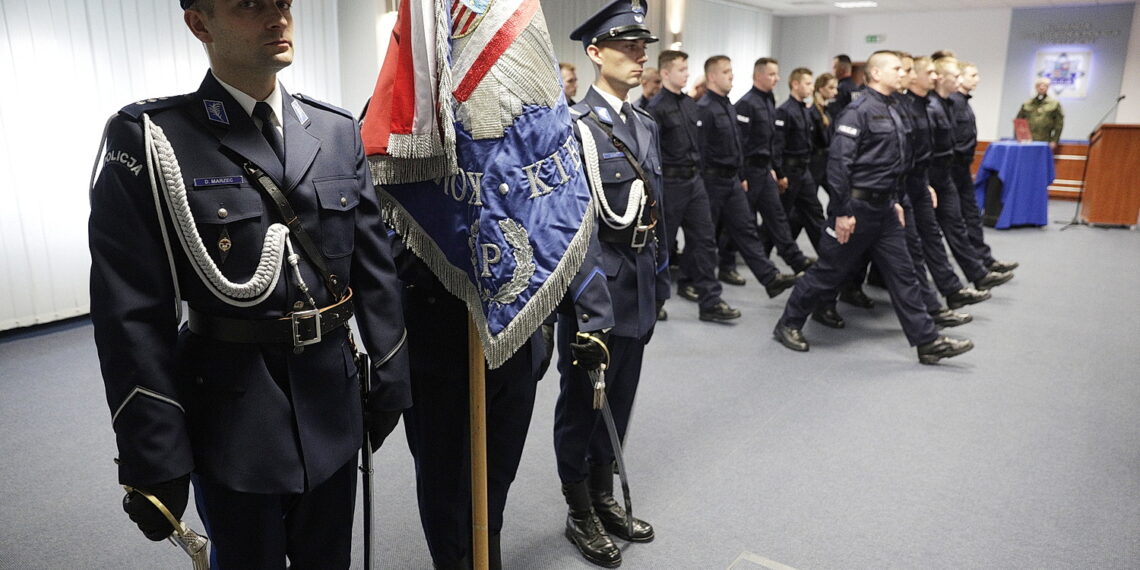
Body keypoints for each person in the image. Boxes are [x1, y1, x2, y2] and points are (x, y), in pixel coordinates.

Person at [88, 1, 411, 567]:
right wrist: (153, 451)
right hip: (232, 414)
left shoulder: (336, 131)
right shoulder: (152, 138)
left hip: (333, 404)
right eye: (251, 5)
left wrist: (391, 373)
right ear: (200, 23)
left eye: (283, 3)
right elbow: (130, 312)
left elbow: (375, 266)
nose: (277, 18)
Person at [558, 2, 671, 565]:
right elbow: (572, 227)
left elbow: (657, 207)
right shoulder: (574, 127)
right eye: (627, 46)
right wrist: (588, 309)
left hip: (640, 284)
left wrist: (663, 277)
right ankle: (578, 510)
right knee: (583, 403)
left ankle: (603, 495)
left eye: (642, 46)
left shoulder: (643, 122)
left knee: (619, 401)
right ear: (595, 52)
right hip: (598, 291)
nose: (639, 54)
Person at [772, 50, 974, 364]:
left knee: (904, 273)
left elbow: (894, 163)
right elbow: (839, 165)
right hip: (856, 208)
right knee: (829, 272)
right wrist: (841, 212)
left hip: (885, 209)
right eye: (895, 68)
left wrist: (894, 200)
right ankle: (788, 322)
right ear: (877, 74)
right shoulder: (858, 111)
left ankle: (927, 341)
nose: (901, 73)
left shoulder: (894, 108)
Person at [647, 49, 741, 322]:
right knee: (663, 245)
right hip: (671, 183)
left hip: (695, 180)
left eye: (687, 69)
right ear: (666, 73)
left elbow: (700, 144)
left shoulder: (691, 104)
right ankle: (654, 301)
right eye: (681, 69)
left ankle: (710, 301)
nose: (687, 73)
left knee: (705, 240)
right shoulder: (655, 108)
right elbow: (651, 153)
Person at [697, 54, 798, 299]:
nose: (731, 75)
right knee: (704, 236)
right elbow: (699, 150)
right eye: (725, 72)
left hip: (733, 179)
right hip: (710, 181)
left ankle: (770, 277)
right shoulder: (704, 108)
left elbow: (737, 146)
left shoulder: (728, 106)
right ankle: (700, 287)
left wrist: (741, 175)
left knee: (746, 228)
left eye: (731, 71)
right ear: (712, 77)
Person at [929, 57, 1014, 292]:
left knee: (960, 220)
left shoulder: (956, 102)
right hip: (944, 171)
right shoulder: (946, 103)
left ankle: (980, 269)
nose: (977, 80)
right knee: (936, 231)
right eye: (971, 75)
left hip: (955, 169)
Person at [732, 57, 815, 279]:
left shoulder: (768, 102)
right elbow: (739, 144)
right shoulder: (746, 104)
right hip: (748, 171)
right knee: (740, 221)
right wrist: (741, 175)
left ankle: (797, 261)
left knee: (777, 217)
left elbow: (770, 143)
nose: (777, 78)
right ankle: (726, 263)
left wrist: (776, 171)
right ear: (757, 75)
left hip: (764, 169)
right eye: (771, 74)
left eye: (777, 74)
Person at [948, 59, 1019, 274]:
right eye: (973, 75)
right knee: (949, 222)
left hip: (962, 169)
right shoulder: (952, 103)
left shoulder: (964, 102)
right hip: (950, 169)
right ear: (959, 77)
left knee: (971, 216)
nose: (977, 79)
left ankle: (985, 261)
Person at [774, 66, 826, 253]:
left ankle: (828, 256)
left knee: (815, 212)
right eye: (808, 83)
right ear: (795, 85)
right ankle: (762, 253)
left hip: (804, 171)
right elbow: (777, 146)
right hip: (789, 170)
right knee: (779, 215)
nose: (812, 88)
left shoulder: (806, 111)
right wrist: (780, 173)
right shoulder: (785, 111)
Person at [1017, 77, 1064, 148]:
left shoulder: (1054, 104)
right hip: (1027, 141)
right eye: (1039, 85)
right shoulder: (1027, 104)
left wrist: (1054, 140)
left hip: (1045, 141)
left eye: (1044, 85)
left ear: (1048, 87)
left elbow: (1059, 124)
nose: (1041, 88)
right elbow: (1019, 122)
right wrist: (1019, 138)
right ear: (1036, 87)